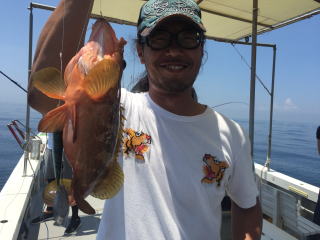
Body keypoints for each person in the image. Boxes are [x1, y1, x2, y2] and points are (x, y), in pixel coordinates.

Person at [28, 0, 262, 239]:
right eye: (159, 38)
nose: (174, 49)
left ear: (202, 48)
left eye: (188, 37)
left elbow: (247, 206)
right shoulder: (118, 108)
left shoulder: (233, 135)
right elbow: (41, 99)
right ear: (140, 51)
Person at [30, 133, 81, 235]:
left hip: (68, 149)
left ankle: (75, 217)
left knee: (69, 185)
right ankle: (50, 210)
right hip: (51, 147)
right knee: (50, 180)